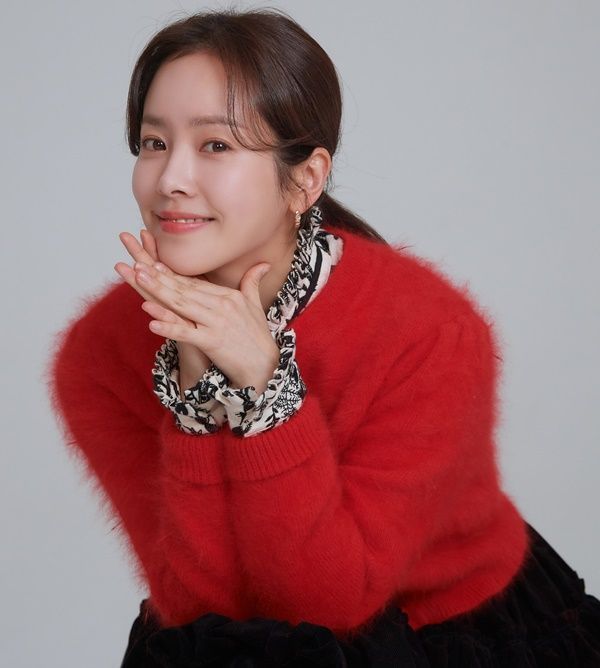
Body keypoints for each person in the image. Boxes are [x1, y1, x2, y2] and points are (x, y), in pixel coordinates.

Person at [49, 8, 600, 667]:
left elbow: (326, 604)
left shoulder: (430, 334)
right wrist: (196, 390)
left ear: (305, 179)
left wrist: (265, 389)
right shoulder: (99, 354)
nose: (170, 179)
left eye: (216, 145)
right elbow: (200, 611)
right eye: (152, 143)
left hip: (439, 629)